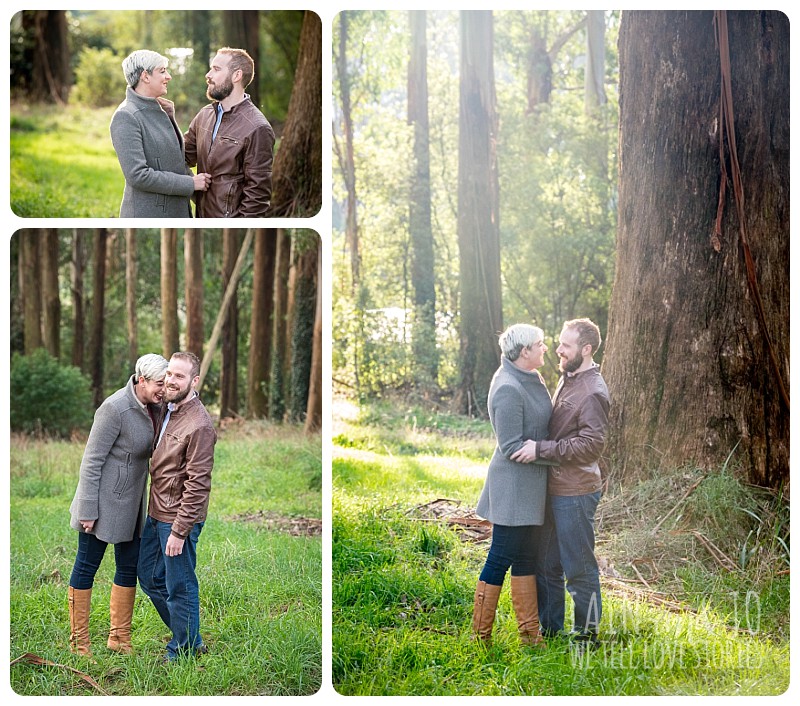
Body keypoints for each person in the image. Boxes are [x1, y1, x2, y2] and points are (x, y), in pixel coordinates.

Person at [511, 318, 610, 648]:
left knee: (579, 568)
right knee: (547, 564)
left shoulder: (593, 391)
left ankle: (587, 637)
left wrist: (540, 449)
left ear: (586, 349)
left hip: (577, 492)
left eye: (565, 346)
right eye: (558, 344)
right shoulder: (570, 377)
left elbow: (591, 445)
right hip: (554, 488)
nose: (558, 349)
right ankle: (551, 631)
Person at [68, 354, 169, 657]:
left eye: (166, 384)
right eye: (159, 384)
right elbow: (91, 460)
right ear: (141, 380)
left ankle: (119, 639)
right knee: (87, 566)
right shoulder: (114, 408)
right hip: (101, 504)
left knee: (128, 568)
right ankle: (79, 643)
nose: (163, 389)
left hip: (134, 505)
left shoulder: (156, 406)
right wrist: (87, 509)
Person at [472, 324, 552, 647]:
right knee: (500, 556)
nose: (545, 348)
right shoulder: (507, 386)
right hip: (512, 490)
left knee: (527, 557)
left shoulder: (531, 377)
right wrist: (556, 455)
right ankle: (480, 634)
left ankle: (530, 635)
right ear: (523, 353)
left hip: (531, 488)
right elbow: (511, 446)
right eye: (539, 344)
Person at [137, 351, 217, 662]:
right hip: (156, 513)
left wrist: (180, 531)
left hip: (178, 520)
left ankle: (181, 650)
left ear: (194, 381)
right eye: (169, 373)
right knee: (149, 577)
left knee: (179, 586)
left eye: (179, 376)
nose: (171, 380)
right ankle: (191, 638)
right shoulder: (166, 409)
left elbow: (198, 484)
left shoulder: (199, 425)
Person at [110, 49, 211, 217]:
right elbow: (138, 175)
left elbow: (177, 162)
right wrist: (190, 183)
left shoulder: (162, 109)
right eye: (162, 71)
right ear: (145, 76)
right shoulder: (126, 116)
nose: (169, 76)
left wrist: (202, 193)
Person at [184, 47, 275, 217]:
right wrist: (189, 183)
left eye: (216, 69)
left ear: (236, 76)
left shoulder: (257, 128)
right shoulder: (204, 115)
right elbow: (179, 156)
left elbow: (257, 197)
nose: (208, 75)